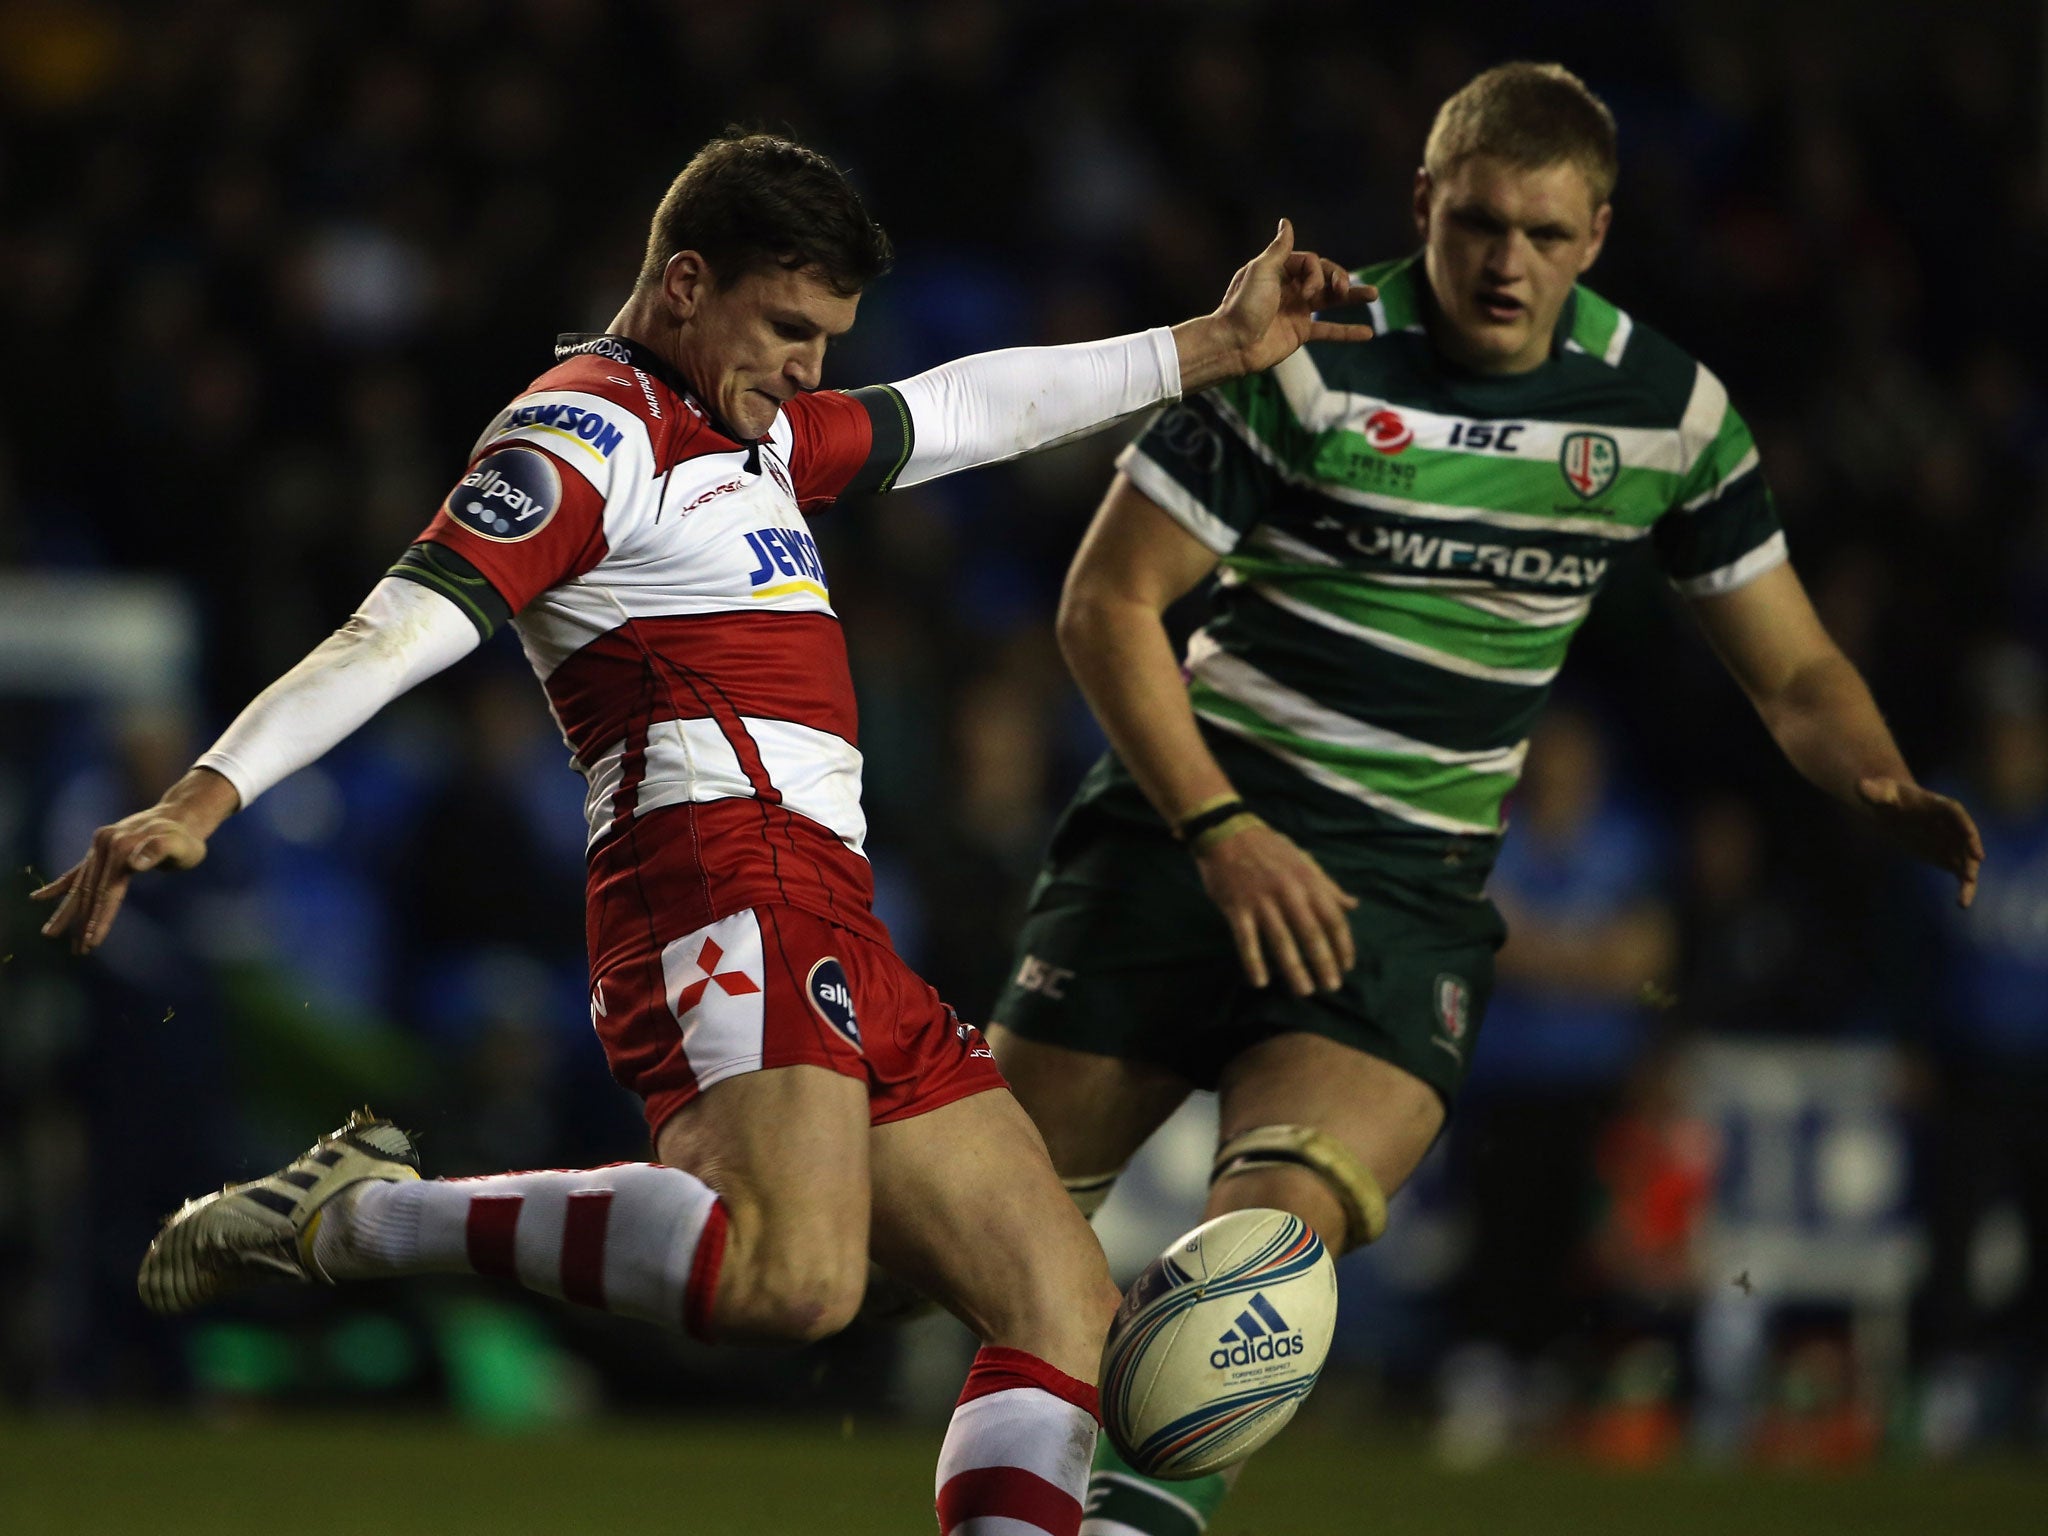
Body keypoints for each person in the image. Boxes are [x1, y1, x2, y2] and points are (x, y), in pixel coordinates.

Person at [32, 131, 1372, 1536]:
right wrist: (206, 789)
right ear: (683, 284)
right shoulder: (584, 434)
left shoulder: (759, 434)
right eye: (787, 328)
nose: (808, 367)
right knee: (795, 1281)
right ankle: (365, 1219)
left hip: (831, 907)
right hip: (712, 881)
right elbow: (401, 626)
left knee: (1064, 1312)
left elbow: (960, 409)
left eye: (826, 339)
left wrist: (1209, 344)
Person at [985, 63, 1984, 1536]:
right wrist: (1222, 829)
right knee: (965, 1242)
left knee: (1264, 1251)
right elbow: (1105, 605)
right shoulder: (1308, 354)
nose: (1505, 261)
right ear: (1424, 208)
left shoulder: (1668, 416)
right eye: (1477, 225)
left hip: (1398, 894)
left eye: (1543, 233)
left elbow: (1796, 672)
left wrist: (1878, 771)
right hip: (1179, 839)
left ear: (1597, 234)